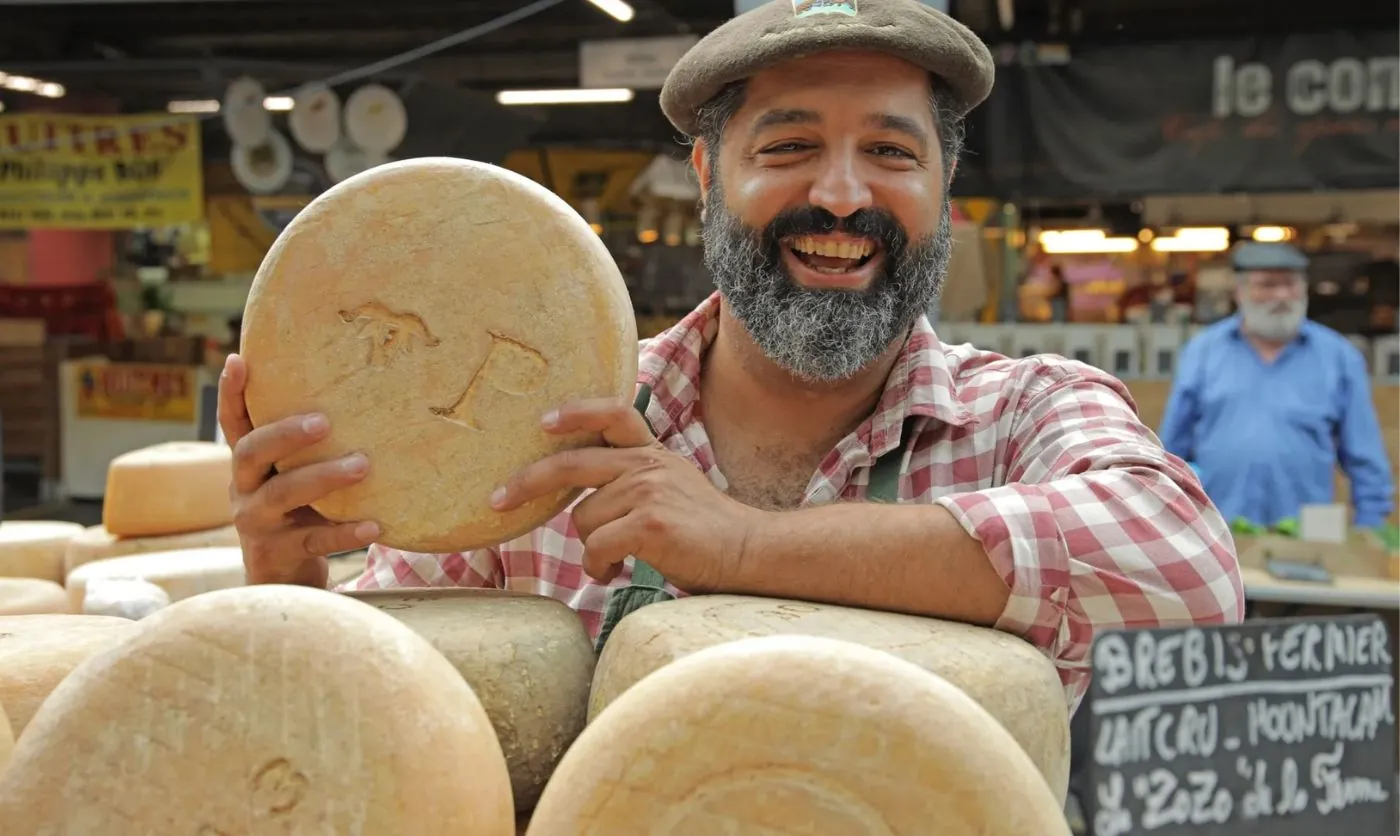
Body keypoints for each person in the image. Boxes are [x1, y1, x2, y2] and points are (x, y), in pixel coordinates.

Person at [218, 0, 1242, 713]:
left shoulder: (1020, 414)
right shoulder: (537, 421)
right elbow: (398, 712)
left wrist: (739, 546)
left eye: (889, 152)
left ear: (942, 191)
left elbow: (1186, 567)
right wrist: (293, 589)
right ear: (709, 173)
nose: (841, 194)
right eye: (787, 146)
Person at [1160, 241, 1395, 531]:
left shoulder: (1338, 357)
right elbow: (1172, 449)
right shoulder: (1204, 352)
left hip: (1308, 529)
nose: (1282, 295)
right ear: (1240, 292)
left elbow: (1364, 454)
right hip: (1218, 526)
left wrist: (1370, 525)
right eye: (1268, 285)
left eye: (1291, 284)